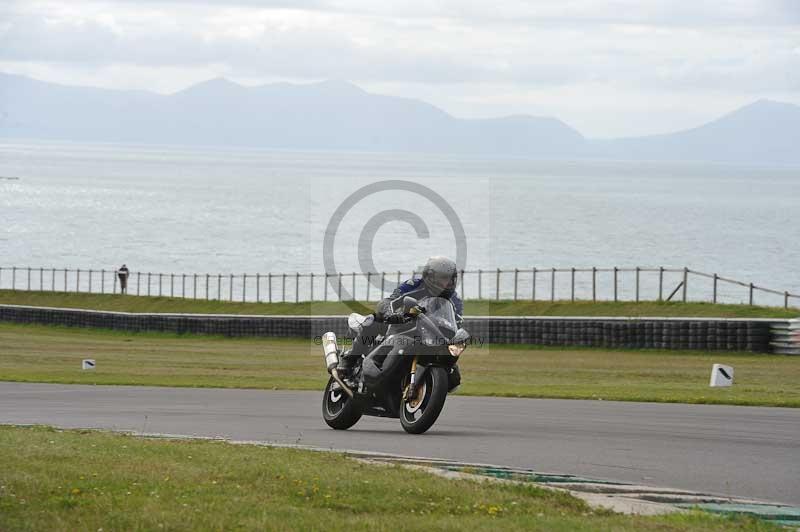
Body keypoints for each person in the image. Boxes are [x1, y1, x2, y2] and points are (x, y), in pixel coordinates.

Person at [344, 256, 463, 387]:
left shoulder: (454, 300)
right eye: (445, 278)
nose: (450, 282)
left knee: (454, 377)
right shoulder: (414, 285)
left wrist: (455, 337)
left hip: (430, 335)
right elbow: (389, 301)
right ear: (431, 276)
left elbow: (456, 322)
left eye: (452, 278)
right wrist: (391, 313)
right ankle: (348, 362)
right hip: (401, 325)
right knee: (373, 320)